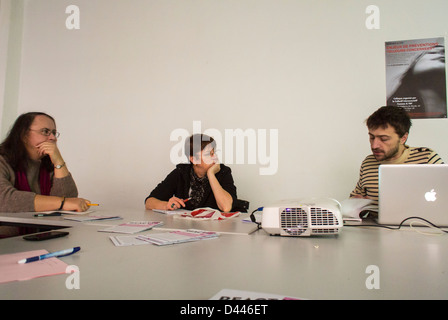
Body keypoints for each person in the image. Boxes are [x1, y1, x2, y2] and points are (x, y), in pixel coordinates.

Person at [350, 106, 444, 209]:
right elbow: (355, 200)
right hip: (373, 224)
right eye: (372, 137)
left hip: (418, 224)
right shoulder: (368, 163)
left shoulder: (427, 159)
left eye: (384, 139)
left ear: (403, 138)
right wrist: (355, 203)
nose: (374, 145)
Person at [0, 112, 91, 213]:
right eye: (45, 131)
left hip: (45, 228)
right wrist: (62, 203)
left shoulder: (47, 164)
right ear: (24, 135)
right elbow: (3, 199)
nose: (53, 138)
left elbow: (69, 201)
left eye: (53, 132)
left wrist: (59, 162)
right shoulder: (2, 160)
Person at [145, 134, 240, 212]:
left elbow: (226, 207)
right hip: (186, 230)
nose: (214, 157)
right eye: (208, 154)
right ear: (193, 159)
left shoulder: (223, 172)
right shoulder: (181, 172)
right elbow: (149, 202)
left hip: (216, 230)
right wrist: (166, 205)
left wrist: (211, 174)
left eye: (214, 153)